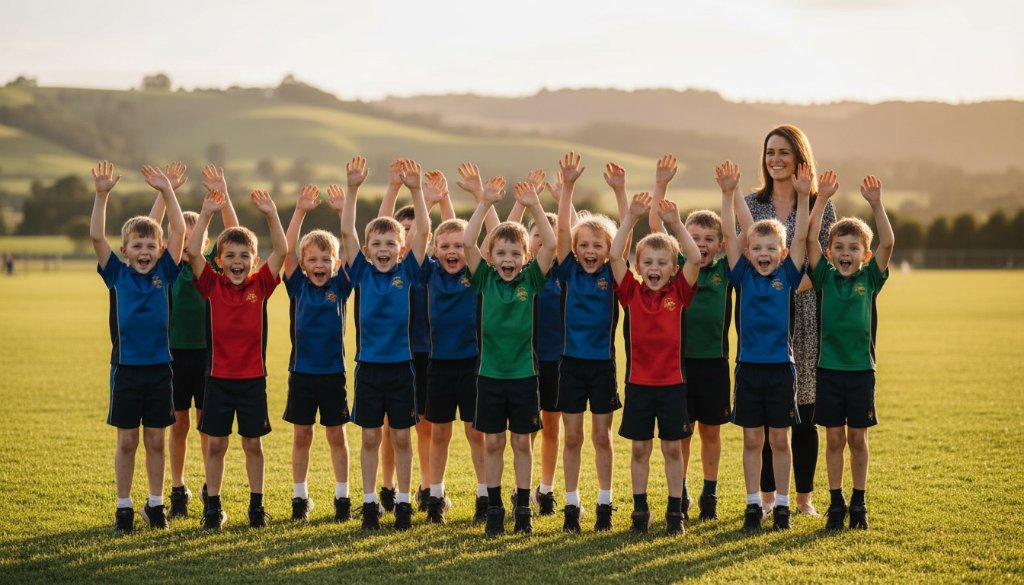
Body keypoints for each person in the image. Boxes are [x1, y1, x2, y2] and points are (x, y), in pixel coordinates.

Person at [745, 125, 836, 517]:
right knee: (766, 416)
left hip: (808, 314)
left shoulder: (821, 203)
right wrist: (777, 286)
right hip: (764, 317)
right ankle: (767, 499)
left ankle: (803, 500)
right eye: (770, 152)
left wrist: (789, 285)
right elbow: (745, 259)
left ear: (800, 158)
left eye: (783, 152)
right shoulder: (751, 204)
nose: (775, 159)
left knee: (805, 409)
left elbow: (826, 259)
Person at [91, 161, 186, 532]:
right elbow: (97, 237)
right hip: (126, 371)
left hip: (161, 370)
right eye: (137, 246)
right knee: (128, 441)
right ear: (125, 250)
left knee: (156, 442)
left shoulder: (165, 271)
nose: (144, 251)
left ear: (160, 250)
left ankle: (156, 505)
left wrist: (167, 192)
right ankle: (124, 508)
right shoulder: (116, 274)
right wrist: (102, 196)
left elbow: (179, 228)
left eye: (151, 246)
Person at [186, 187, 288, 530]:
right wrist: (206, 214)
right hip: (217, 380)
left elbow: (283, 250)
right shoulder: (210, 285)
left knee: (252, 445)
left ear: (254, 260)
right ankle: (212, 507)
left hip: (252, 381)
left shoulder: (260, 286)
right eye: (229, 256)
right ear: (219, 259)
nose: (237, 262)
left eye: (244, 256)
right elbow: (191, 250)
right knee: (216, 445)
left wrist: (272, 214)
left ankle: (256, 508)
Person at [340, 158, 430, 531]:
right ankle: (369, 502)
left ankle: (405, 503)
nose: (382, 248)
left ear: (401, 248)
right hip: (368, 369)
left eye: (390, 243)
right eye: (375, 243)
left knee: (402, 437)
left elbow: (423, 230)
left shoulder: (408, 271)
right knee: (370, 437)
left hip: (401, 368)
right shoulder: (360, 270)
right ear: (366, 249)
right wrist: (352, 189)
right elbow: (346, 232)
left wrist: (416, 189)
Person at [464, 177, 556, 536]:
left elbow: (551, 242)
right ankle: (495, 508)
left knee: (521, 442)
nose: (508, 259)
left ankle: (522, 509)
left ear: (525, 258)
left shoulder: (530, 281)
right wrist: (484, 203)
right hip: (489, 377)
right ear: (490, 258)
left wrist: (534, 205)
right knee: (493, 442)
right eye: (501, 253)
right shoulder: (484, 279)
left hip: (523, 376)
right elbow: (469, 241)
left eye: (515, 254)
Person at [148, 163, 239, 520]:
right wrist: (163, 192)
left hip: (208, 357)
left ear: (205, 242)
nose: (185, 243)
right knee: (178, 425)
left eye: (192, 238)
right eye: (178, 236)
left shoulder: (211, 269)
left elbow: (236, 233)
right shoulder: (167, 268)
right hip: (172, 357)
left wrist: (224, 196)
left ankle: (208, 488)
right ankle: (178, 488)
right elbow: (151, 229)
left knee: (207, 425)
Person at [726, 161, 812, 531]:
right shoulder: (742, 273)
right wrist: (729, 192)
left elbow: (804, 237)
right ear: (747, 253)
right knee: (751, 440)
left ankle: (781, 505)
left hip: (781, 370)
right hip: (748, 369)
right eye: (756, 247)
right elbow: (737, 234)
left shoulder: (788, 276)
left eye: (770, 248)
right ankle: (751, 505)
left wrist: (806, 197)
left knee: (780, 439)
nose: (763, 253)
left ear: (782, 252)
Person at [806, 174, 894, 530]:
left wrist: (876, 204)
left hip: (860, 372)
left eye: (853, 248)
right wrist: (821, 200)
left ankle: (859, 502)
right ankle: (836, 502)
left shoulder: (869, 279)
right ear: (830, 253)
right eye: (839, 248)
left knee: (858, 438)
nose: (846, 253)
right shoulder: (824, 276)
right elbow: (808, 238)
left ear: (865, 255)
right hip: (828, 371)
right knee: (834, 439)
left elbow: (888, 242)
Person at [611, 192, 701, 536]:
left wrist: (677, 223)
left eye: (662, 263)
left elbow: (694, 258)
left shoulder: (678, 293)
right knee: (639, 449)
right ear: (638, 266)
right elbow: (614, 256)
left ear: (673, 269)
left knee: (672, 449)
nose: (654, 269)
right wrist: (631, 218)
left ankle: (675, 512)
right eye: (648, 262)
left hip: (673, 386)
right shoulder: (631, 293)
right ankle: (640, 511)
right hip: (638, 386)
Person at [419, 164, 498, 525]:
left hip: (472, 364)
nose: (452, 252)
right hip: (439, 364)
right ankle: (435, 496)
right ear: (435, 251)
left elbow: (478, 238)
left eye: (458, 247)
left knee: (475, 433)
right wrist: (429, 199)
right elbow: (423, 232)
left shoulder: (477, 274)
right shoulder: (430, 271)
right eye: (444, 247)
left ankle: (485, 496)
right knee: (439, 434)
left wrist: (480, 200)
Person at [554, 153, 627, 532]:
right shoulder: (568, 270)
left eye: (598, 245)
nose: (589, 251)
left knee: (601, 436)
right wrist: (566, 187)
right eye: (584, 244)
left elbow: (624, 241)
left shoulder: (613, 276)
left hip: (602, 366)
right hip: (571, 364)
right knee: (573, 436)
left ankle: (604, 502)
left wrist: (620, 193)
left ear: (608, 250)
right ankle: (571, 505)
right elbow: (563, 233)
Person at [281, 184, 354, 522]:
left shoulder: (340, 286)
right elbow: (286, 251)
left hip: (333, 375)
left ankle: (342, 497)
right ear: (304, 263)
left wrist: (343, 213)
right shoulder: (298, 285)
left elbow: (353, 249)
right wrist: (299, 211)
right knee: (302, 435)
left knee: (336, 435)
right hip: (302, 375)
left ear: (335, 263)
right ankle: (300, 497)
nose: (319, 263)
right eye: (312, 259)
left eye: (326, 259)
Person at [506, 168, 564, 516]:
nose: (543, 241)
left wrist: (557, 200)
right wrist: (521, 205)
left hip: (556, 359)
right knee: (523, 431)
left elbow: (562, 241)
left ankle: (547, 488)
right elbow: (502, 235)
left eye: (548, 236)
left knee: (552, 425)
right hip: (522, 362)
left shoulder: (564, 274)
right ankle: (521, 490)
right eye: (536, 237)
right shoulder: (516, 276)